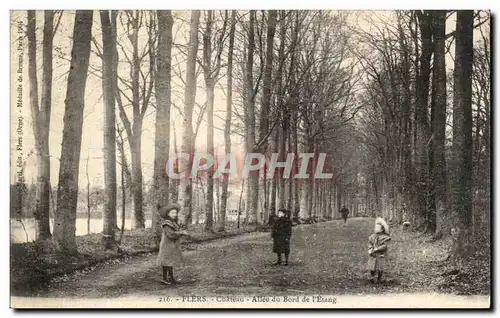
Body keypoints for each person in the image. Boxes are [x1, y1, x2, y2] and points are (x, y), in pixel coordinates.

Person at [156, 203, 191, 285]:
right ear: (168, 214)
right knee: (166, 262)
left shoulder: (173, 222)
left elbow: (175, 232)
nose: (175, 214)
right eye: (173, 213)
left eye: (175, 213)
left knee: (169, 261)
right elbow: (170, 234)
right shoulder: (166, 223)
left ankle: (171, 278)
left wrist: (181, 231)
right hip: (166, 245)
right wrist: (181, 233)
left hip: (171, 245)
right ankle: (165, 278)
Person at [367, 216, 391, 283]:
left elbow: (385, 246)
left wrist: (377, 248)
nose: (375, 228)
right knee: (372, 266)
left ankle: (379, 278)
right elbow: (370, 243)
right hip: (373, 254)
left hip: (381, 254)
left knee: (380, 266)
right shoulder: (372, 236)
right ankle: (372, 276)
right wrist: (370, 248)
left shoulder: (385, 237)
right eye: (375, 227)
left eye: (377, 227)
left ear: (382, 229)